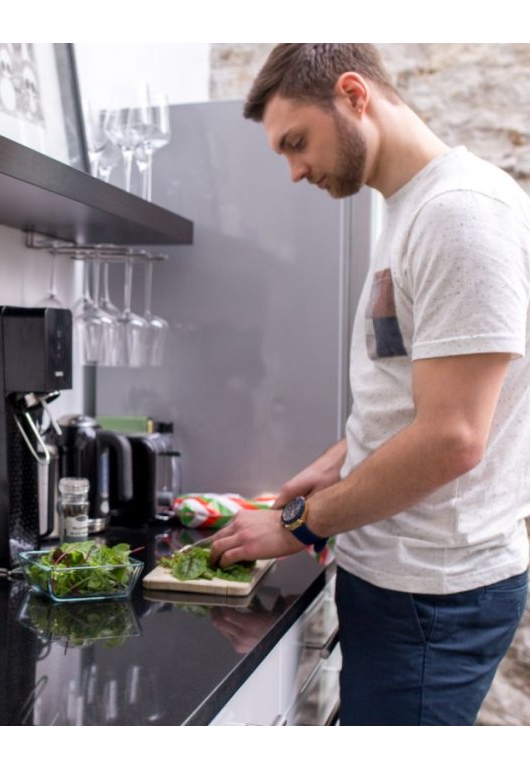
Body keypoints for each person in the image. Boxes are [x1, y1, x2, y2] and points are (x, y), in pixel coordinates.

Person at [208, 44, 530, 726]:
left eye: (297, 142)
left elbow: (453, 438)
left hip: (430, 597)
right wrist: (335, 463)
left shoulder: (460, 214)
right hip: (397, 581)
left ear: (354, 96)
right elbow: (407, 399)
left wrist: (295, 526)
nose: (294, 171)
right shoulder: (411, 209)